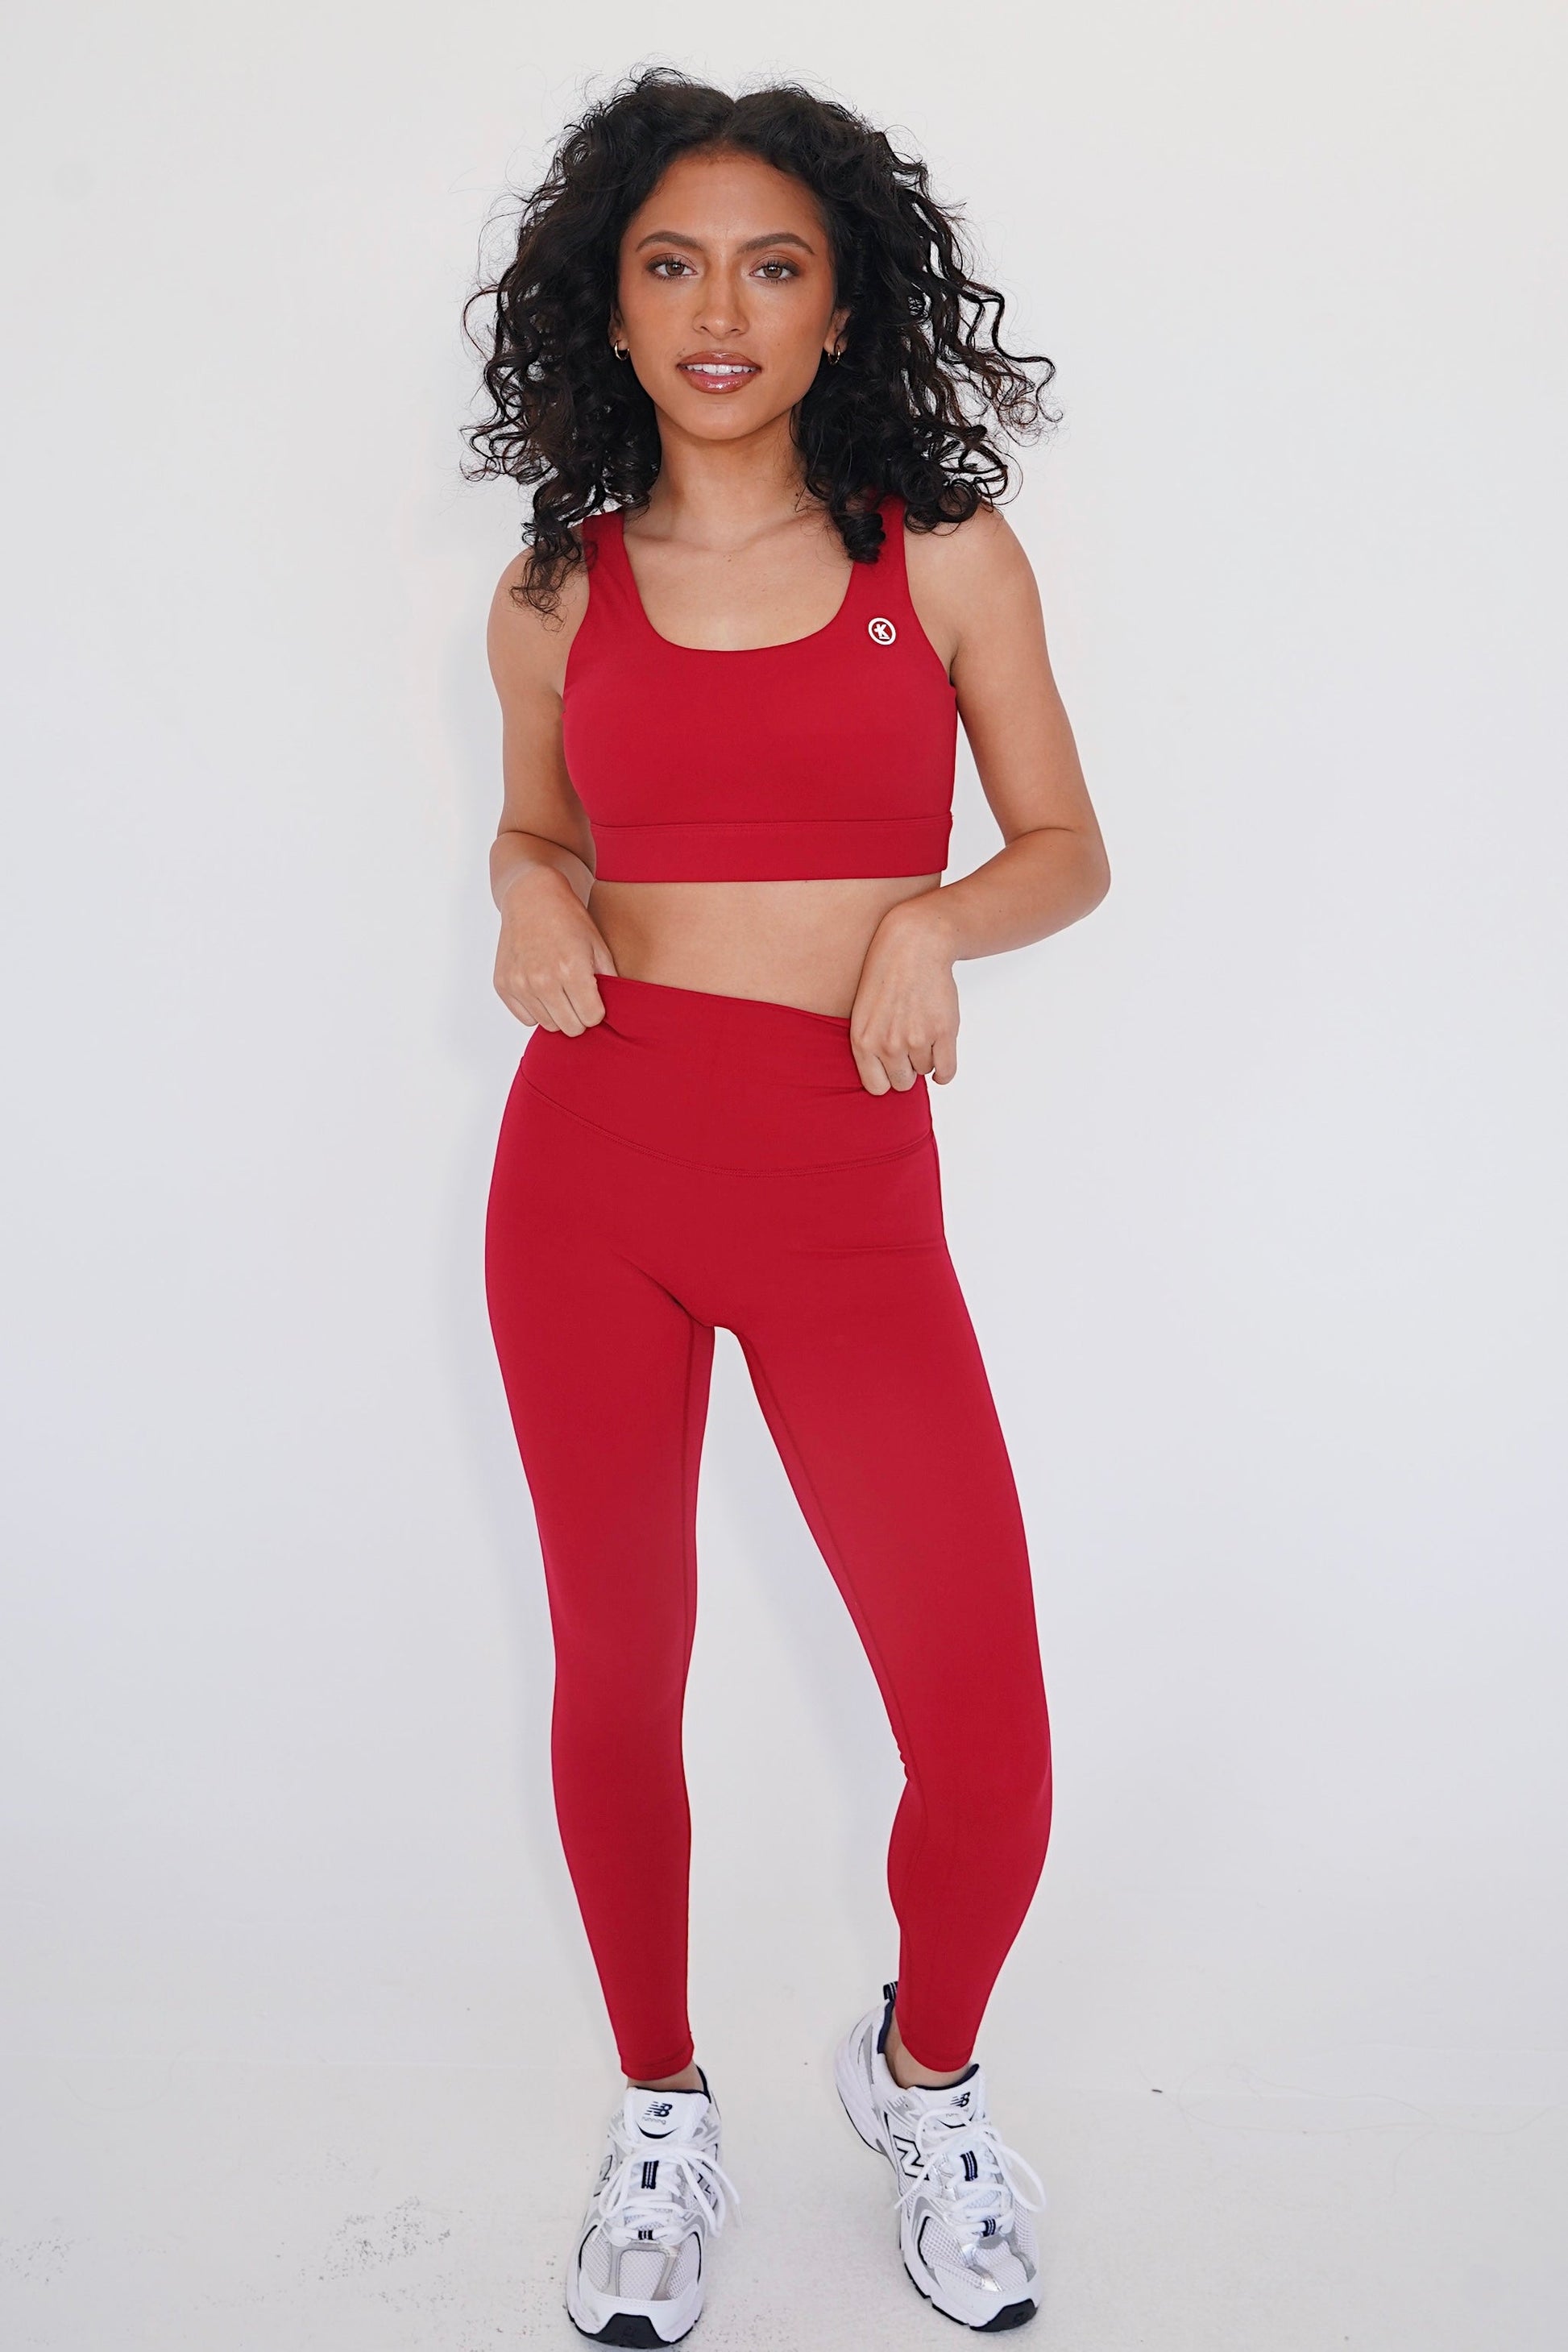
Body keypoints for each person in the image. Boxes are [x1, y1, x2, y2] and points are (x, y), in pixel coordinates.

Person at [463, 68, 1110, 2344]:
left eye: (771, 265)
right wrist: (520, 886)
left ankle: (925, 2073)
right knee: (617, 1673)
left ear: (844, 308)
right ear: (611, 305)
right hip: (593, 1173)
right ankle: (660, 2105)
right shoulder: (552, 587)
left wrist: (934, 919)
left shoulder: (943, 555)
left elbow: (1067, 845)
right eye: (671, 264)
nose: (718, 310)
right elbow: (539, 829)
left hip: (844, 1191)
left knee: (988, 1730)